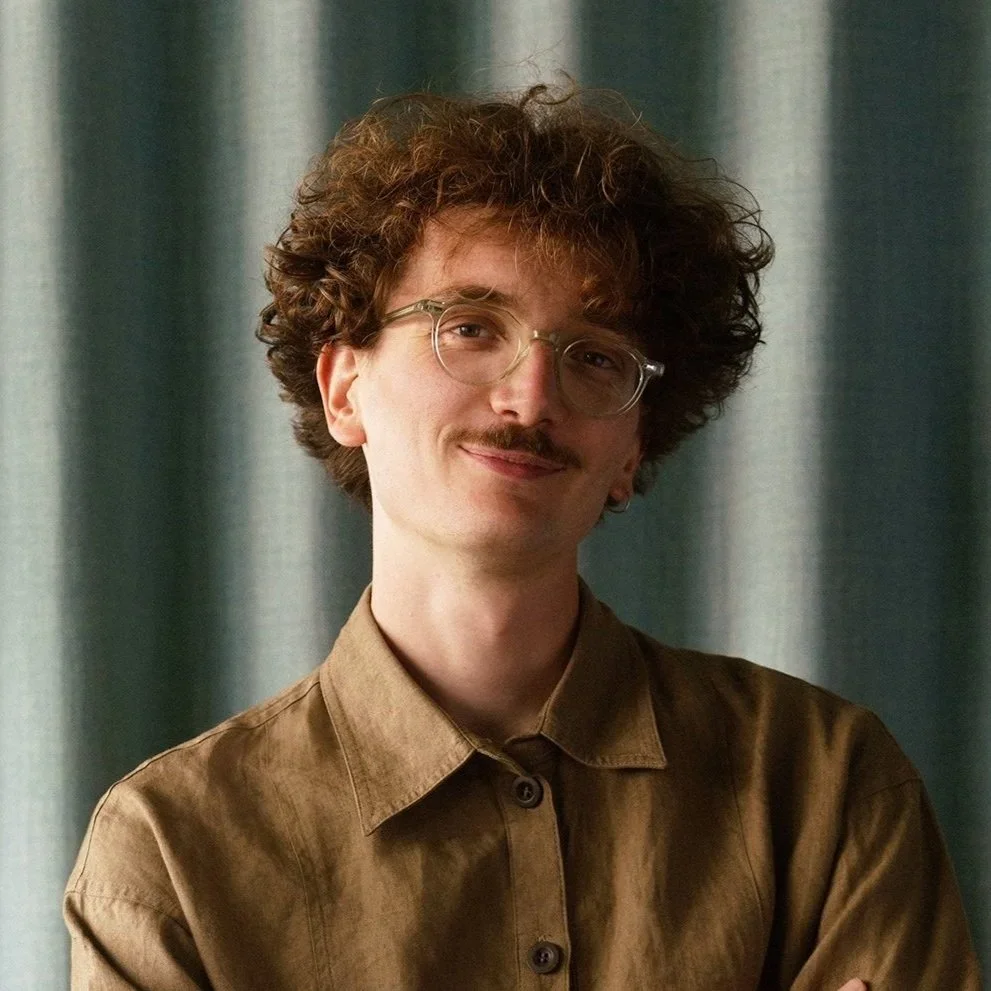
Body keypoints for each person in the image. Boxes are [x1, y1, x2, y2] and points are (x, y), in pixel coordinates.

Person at [64, 84, 981, 989]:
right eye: (468, 327)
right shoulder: (170, 850)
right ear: (345, 387)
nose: (530, 397)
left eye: (593, 356)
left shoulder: (820, 782)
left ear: (631, 447)